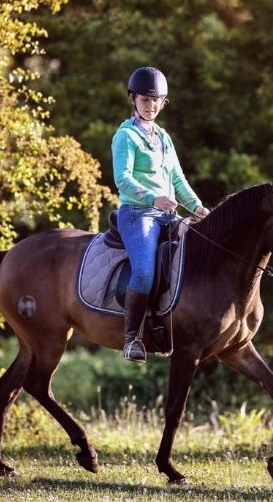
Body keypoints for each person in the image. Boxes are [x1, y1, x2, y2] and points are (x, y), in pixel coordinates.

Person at [111, 66, 210, 363]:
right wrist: (154, 197)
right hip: (137, 213)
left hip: (168, 214)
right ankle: (132, 339)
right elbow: (123, 179)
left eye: (156, 100)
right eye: (145, 99)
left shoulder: (164, 137)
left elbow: (178, 180)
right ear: (133, 99)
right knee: (143, 270)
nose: (151, 105)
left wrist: (197, 207)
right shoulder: (125, 136)